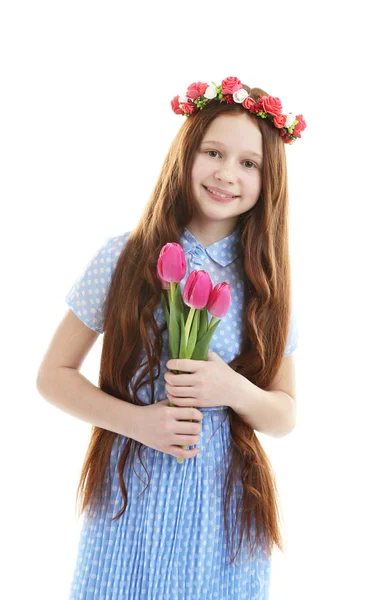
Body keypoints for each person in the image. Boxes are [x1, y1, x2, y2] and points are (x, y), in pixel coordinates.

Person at [36, 76, 306, 599]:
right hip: (129, 490)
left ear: (267, 180)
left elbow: (285, 415)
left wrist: (232, 390)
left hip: (221, 506)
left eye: (249, 163)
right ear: (186, 154)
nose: (228, 174)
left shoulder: (266, 289)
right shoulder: (124, 257)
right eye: (214, 152)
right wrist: (137, 422)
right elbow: (52, 376)